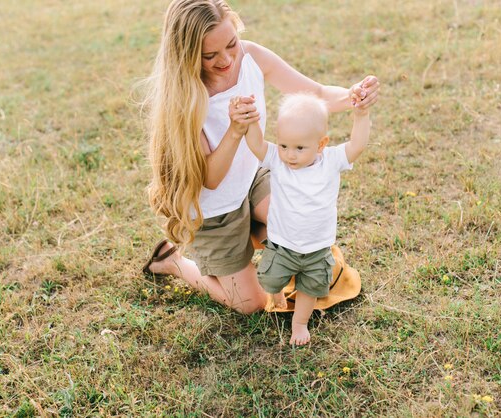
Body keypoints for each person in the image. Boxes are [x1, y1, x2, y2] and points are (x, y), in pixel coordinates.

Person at [140, 0, 379, 314]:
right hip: (215, 210)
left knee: (310, 242)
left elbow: (315, 94)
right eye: (210, 55)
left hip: (253, 179)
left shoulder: (251, 56)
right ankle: (172, 262)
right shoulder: (185, 99)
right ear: (186, 54)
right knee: (251, 304)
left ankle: (258, 231)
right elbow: (210, 178)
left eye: (231, 44)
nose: (226, 59)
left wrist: (353, 96)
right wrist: (235, 130)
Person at [242, 92, 371, 345]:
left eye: (300, 148)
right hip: (281, 245)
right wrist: (251, 120)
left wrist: (361, 115)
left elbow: (357, 145)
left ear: (321, 144)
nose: (290, 155)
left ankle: (299, 324)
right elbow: (257, 144)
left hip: (317, 249)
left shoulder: (331, 161)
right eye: (283, 145)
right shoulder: (278, 162)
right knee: (270, 278)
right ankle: (277, 294)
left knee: (310, 288)